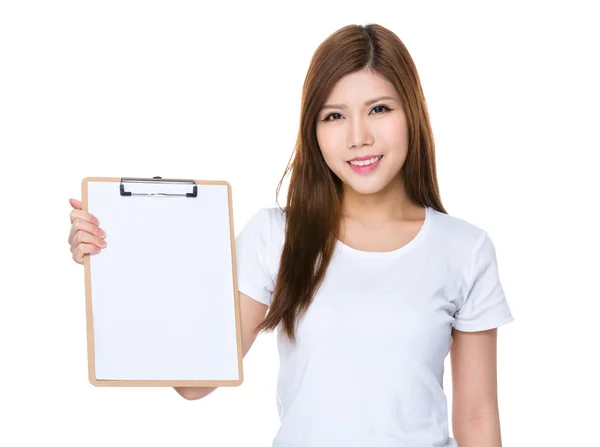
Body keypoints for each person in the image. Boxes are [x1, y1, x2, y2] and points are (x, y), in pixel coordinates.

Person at [67, 23, 514, 447]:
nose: (359, 137)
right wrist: (119, 260)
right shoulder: (275, 237)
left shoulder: (464, 249)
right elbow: (194, 382)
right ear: (313, 130)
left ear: (411, 113)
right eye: (334, 116)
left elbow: (476, 415)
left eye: (379, 109)